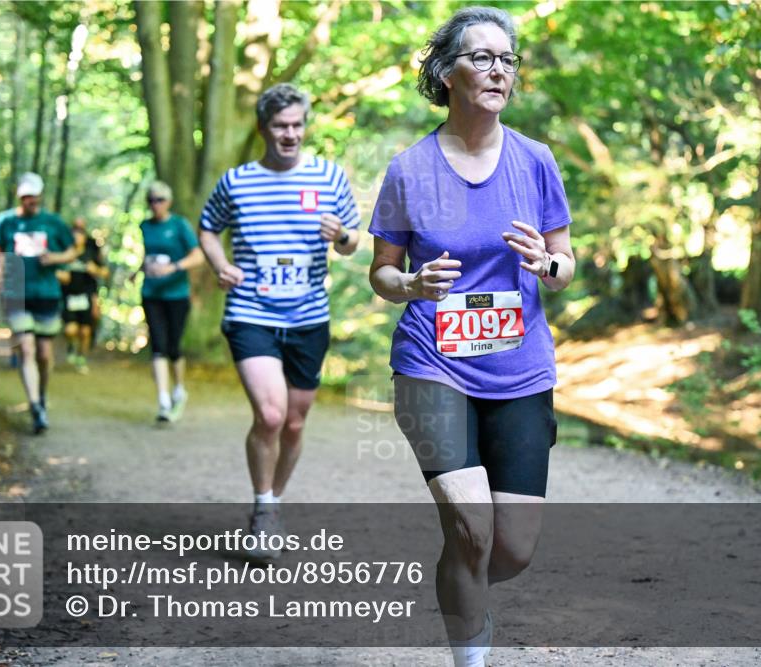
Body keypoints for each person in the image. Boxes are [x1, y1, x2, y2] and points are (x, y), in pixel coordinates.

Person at [367, 7, 576, 666]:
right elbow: (382, 271)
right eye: (481, 57)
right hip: (432, 364)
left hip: (520, 369)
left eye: (507, 60)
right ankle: (471, 653)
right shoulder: (409, 169)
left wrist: (545, 265)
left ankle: (462, 581)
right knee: (472, 526)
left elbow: (565, 265)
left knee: (508, 548)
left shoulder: (536, 161)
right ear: (445, 73)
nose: (498, 70)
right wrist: (412, 284)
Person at [199, 83, 361, 558]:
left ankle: (274, 501)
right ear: (262, 128)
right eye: (280, 126)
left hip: (309, 316)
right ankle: (264, 508)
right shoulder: (237, 182)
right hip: (251, 311)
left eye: (297, 125)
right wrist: (220, 265)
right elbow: (207, 228)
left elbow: (353, 242)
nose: (290, 134)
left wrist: (342, 235)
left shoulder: (328, 176)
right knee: (270, 414)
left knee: (293, 423)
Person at [0, 172, 79, 434]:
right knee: (26, 348)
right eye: (25, 196)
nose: (30, 200)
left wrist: (55, 258)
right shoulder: (6, 221)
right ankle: (34, 407)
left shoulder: (53, 223)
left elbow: (73, 250)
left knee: (43, 353)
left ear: (40, 196)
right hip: (16, 294)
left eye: (34, 196)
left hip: (46, 294)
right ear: (19, 197)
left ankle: (41, 395)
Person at [137, 181, 205, 423]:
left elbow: (198, 255)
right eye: (151, 200)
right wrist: (139, 270)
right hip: (151, 293)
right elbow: (148, 255)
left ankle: (179, 389)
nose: (155, 205)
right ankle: (163, 400)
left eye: (160, 200)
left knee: (173, 347)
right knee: (158, 345)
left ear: (169, 201)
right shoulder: (145, 226)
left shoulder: (179, 225)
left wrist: (174, 267)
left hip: (176, 294)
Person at [57, 218, 108, 374]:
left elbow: (105, 272)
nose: (77, 237)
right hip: (69, 296)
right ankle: (71, 347)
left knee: (85, 331)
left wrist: (95, 270)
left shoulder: (91, 252)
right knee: (70, 329)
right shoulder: (65, 253)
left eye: (80, 234)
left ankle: (81, 358)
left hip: (87, 297)